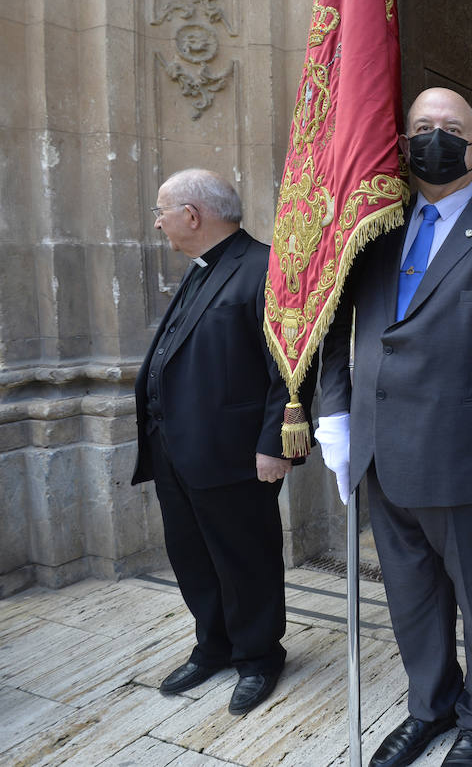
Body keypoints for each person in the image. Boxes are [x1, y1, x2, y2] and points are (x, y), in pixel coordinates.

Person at [316, 88, 472, 767]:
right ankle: (431, 702)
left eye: (450, 129)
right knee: (412, 597)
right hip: (380, 452)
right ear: (401, 142)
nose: (434, 138)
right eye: (421, 127)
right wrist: (334, 412)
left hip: (471, 460)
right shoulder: (373, 230)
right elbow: (335, 327)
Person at [134, 169, 310, 716]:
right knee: (192, 555)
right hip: (176, 448)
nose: (157, 222)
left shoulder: (264, 265)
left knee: (245, 559)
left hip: (235, 453)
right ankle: (213, 644)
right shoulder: (200, 268)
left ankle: (258, 656)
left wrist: (277, 443)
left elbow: (291, 367)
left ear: (192, 215)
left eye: (161, 211)